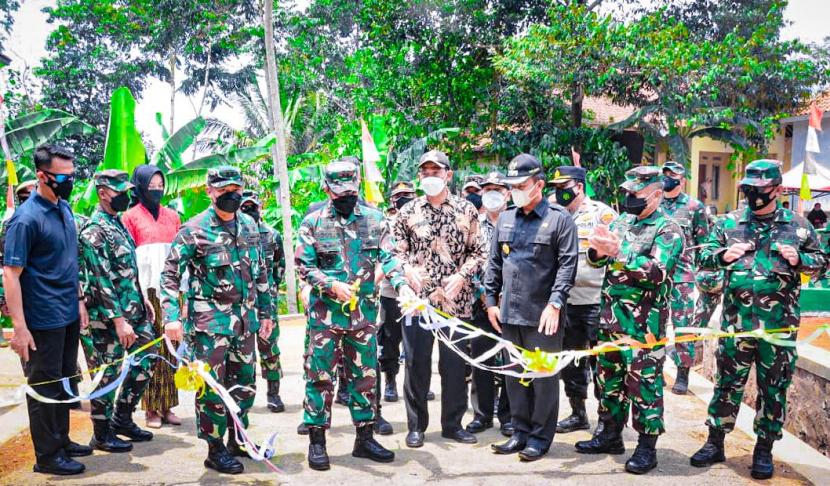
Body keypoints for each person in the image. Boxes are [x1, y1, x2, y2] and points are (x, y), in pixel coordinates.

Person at [690, 160, 827, 480]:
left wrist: (801, 259)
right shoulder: (730, 223)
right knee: (726, 385)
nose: (752, 195)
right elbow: (704, 255)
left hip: (778, 328)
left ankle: (764, 448)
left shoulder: (800, 226)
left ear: (777, 190)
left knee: (773, 390)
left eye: (759, 190)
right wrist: (723, 256)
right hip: (736, 324)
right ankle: (715, 441)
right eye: (748, 189)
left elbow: (821, 263)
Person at [296, 159, 410, 470]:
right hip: (324, 318)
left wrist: (402, 287)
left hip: (362, 317)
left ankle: (365, 439)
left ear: (358, 186)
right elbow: (304, 266)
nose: (346, 196)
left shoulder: (375, 220)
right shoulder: (313, 223)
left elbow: (390, 258)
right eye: (339, 191)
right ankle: (317, 442)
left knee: (365, 378)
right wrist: (331, 284)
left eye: (351, 190)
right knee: (319, 378)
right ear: (326, 189)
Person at [161, 166, 274, 475]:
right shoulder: (193, 230)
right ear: (209, 192)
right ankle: (215, 449)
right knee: (212, 389)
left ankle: (238, 438)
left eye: (235, 189)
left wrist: (267, 313)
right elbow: (170, 276)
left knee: (245, 384)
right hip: (209, 327)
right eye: (223, 191)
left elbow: (262, 273)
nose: (231, 196)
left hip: (245, 324)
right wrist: (171, 317)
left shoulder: (250, 226)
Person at [575, 166, 684, 475]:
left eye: (635, 193)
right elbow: (599, 261)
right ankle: (609, 434)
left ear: (656, 194)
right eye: (627, 192)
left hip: (643, 327)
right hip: (610, 319)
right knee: (607, 381)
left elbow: (656, 273)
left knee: (644, 385)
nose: (628, 198)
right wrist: (597, 251)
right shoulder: (621, 221)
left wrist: (618, 251)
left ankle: (647, 447)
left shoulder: (668, 229)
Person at [4, 144, 91, 475]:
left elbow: (69, 261)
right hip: (41, 319)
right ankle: (48, 456)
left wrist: (79, 300)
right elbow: (11, 275)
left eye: (72, 174)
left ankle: (63, 440)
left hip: (67, 312)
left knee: (66, 380)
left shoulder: (64, 208)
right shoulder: (25, 220)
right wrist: (20, 328)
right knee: (44, 387)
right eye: (62, 176)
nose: (69, 181)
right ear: (42, 176)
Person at [485, 154, 578, 461]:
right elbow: (494, 265)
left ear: (539, 185)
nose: (514, 191)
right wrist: (490, 302)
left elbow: (567, 266)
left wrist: (555, 304)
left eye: (521, 185)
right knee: (514, 377)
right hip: (510, 314)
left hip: (543, 317)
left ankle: (539, 437)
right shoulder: (507, 218)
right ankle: (519, 432)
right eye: (511, 187)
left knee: (542, 380)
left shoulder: (559, 219)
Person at [393, 149, 486, 448]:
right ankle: (416, 426)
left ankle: (453, 425)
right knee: (416, 365)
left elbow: (480, 251)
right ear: (420, 176)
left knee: (455, 367)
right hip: (418, 304)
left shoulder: (466, 210)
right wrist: (407, 271)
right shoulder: (407, 212)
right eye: (426, 171)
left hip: (455, 303)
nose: (430, 176)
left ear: (449, 174)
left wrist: (463, 276)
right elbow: (395, 252)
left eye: (436, 170)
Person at [80, 170, 159, 452]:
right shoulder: (94, 230)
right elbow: (101, 280)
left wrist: (141, 297)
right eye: (119, 191)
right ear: (103, 193)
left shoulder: (117, 223)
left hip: (134, 309)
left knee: (148, 358)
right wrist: (119, 321)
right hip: (108, 318)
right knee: (107, 374)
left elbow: (127, 270)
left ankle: (122, 419)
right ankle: (101, 434)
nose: (126, 196)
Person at [549, 165, 617, 435]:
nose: (559, 193)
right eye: (555, 188)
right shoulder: (554, 214)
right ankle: (578, 413)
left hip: (595, 299)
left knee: (600, 362)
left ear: (578, 186)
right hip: (566, 301)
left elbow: (613, 250)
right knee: (573, 360)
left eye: (563, 187)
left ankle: (606, 420)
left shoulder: (601, 213)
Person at [122, 164, 182, 429]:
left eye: (160, 186)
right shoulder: (130, 217)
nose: (156, 190)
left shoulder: (172, 216)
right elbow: (128, 258)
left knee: (171, 349)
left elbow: (180, 253)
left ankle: (168, 405)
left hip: (171, 289)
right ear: (140, 187)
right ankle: (151, 410)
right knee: (151, 349)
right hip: (146, 292)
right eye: (151, 186)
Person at [467, 171, 513, 436]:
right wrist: (485, 296)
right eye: (488, 189)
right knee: (480, 359)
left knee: (510, 360)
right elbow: (466, 260)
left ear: (508, 192)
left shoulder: (517, 221)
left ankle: (508, 415)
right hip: (480, 302)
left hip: (512, 303)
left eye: (498, 188)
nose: (492, 193)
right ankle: (482, 414)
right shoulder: (473, 224)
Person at [660, 161, 710, 394]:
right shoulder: (653, 201)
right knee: (655, 324)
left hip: (682, 276)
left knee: (683, 326)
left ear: (682, 180)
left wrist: (702, 274)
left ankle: (682, 374)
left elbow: (703, 244)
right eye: (665, 174)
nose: (668, 178)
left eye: (673, 175)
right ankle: (655, 369)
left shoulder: (694, 207)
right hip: (655, 275)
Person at [239, 190, 286, 413]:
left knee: (270, 348)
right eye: (244, 207)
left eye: (252, 207)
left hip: (267, 301)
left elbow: (279, 268)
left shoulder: (272, 235)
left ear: (260, 208)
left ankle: (273, 393)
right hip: (242, 301)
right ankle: (244, 396)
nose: (249, 211)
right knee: (243, 351)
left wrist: (271, 291)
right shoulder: (235, 234)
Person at [378, 181, 416, 403]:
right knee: (389, 339)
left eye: (407, 195)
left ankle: (416, 382)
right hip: (391, 292)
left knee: (417, 342)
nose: (403, 199)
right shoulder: (385, 224)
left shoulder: (423, 218)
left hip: (418, 293)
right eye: (399, 195)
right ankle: (390, 381)